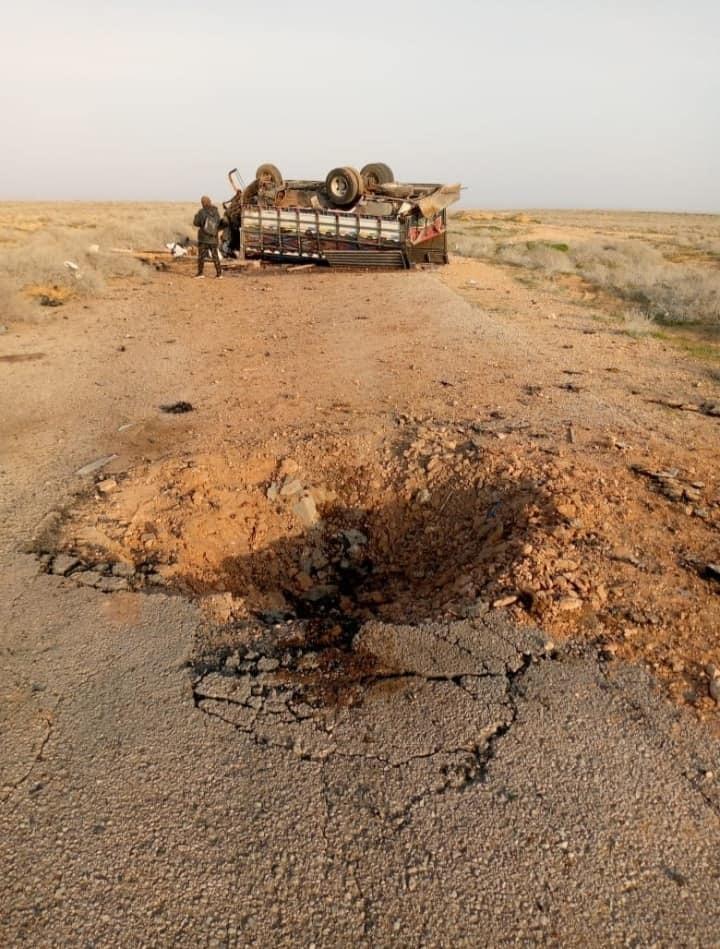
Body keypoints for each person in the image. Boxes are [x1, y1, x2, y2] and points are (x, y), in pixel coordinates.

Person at [193, 196, 225, 278]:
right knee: (215, 256)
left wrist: (196, 216)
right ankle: (219, 274)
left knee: (201, 257)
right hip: (214, 238)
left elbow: (196, 223)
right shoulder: (216, 212)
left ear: (203, 203)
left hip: (204, 239)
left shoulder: (201, 212)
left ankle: (200, 273)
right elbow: (218, 224)